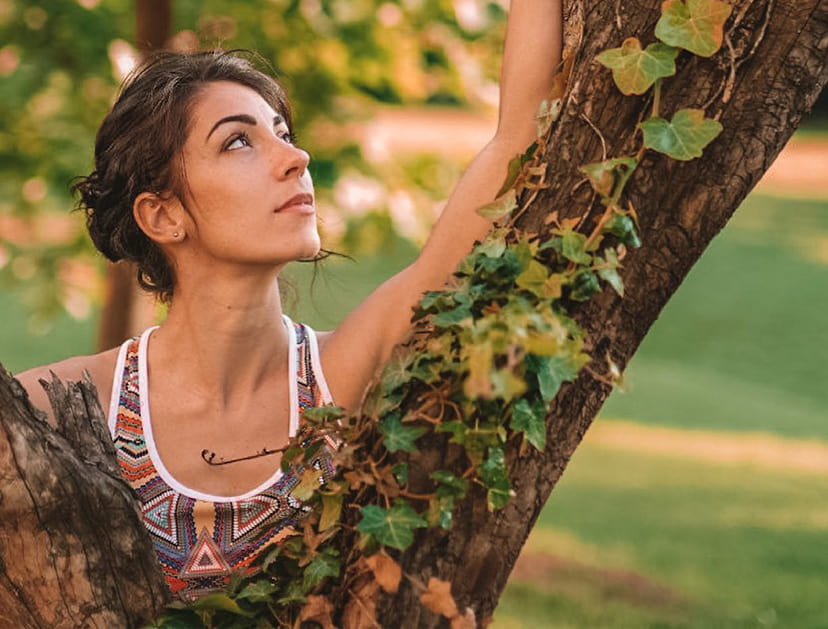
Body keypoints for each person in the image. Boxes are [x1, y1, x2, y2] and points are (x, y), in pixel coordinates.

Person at [16, 0, 563, 600]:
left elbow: (517, 139)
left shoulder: (345, 376)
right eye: (238, 143)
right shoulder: (60, 409)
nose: (296, 159)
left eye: (283, 133)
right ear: (163, 214)